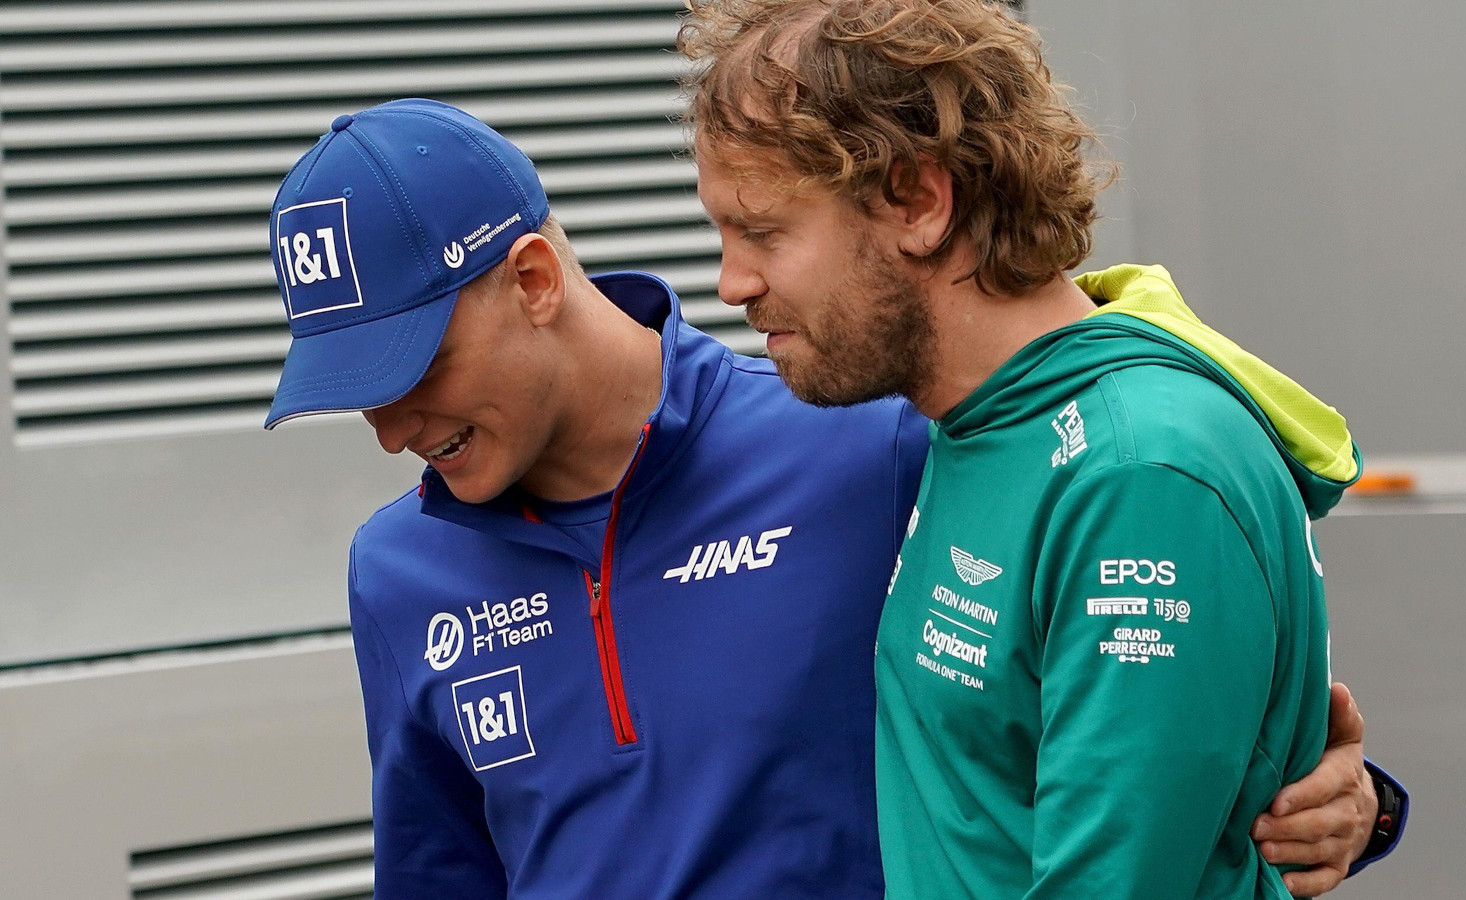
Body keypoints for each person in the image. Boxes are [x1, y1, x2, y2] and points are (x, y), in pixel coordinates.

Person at [263, 99, 1398, 899]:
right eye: (351, 398)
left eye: (410, 375)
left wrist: (1346, 802)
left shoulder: (870, 437)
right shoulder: (396, 571)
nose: (390, 431)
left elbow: (1137, 692)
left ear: (533, 280)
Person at [679, 0, 1406, 897]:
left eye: (762, 232)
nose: (731, 283)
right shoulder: (980, 418)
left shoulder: (1138, 472)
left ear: (918, 200)